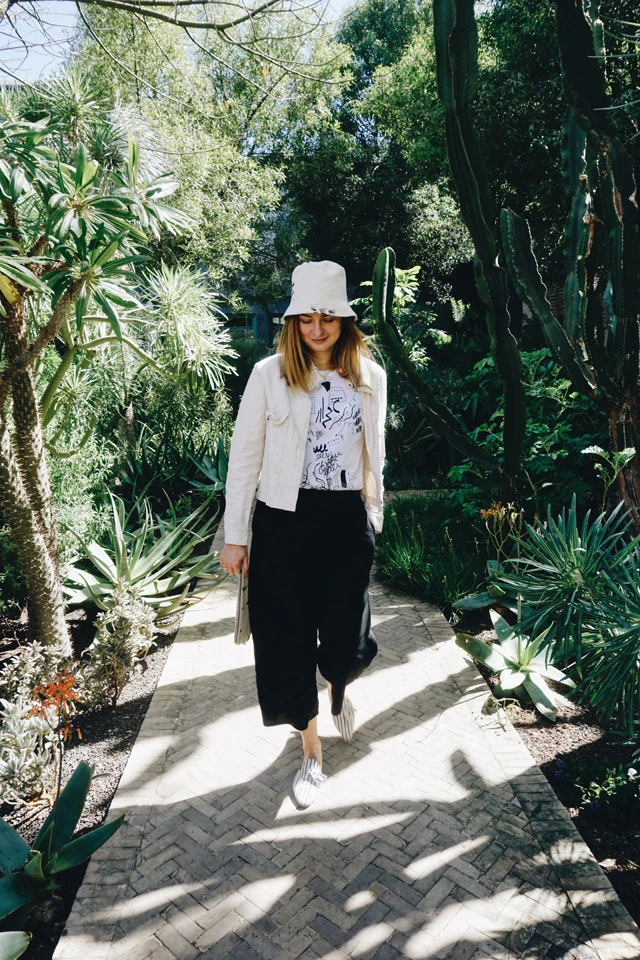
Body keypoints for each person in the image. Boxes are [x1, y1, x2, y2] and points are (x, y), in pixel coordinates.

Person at [220, 260, 387, 807]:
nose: (317, 329)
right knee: (286, 643)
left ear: (345, 322)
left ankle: (338, 684)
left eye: (328, 318)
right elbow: (245, 458)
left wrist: (373, 514)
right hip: (282, 522)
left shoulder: (371, 377)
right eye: (307, 319)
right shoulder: (269, 375)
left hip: (344, 520)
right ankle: (311, 751)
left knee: (347, 641)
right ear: (293, 323)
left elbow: (375, 452)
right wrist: (236, 536)